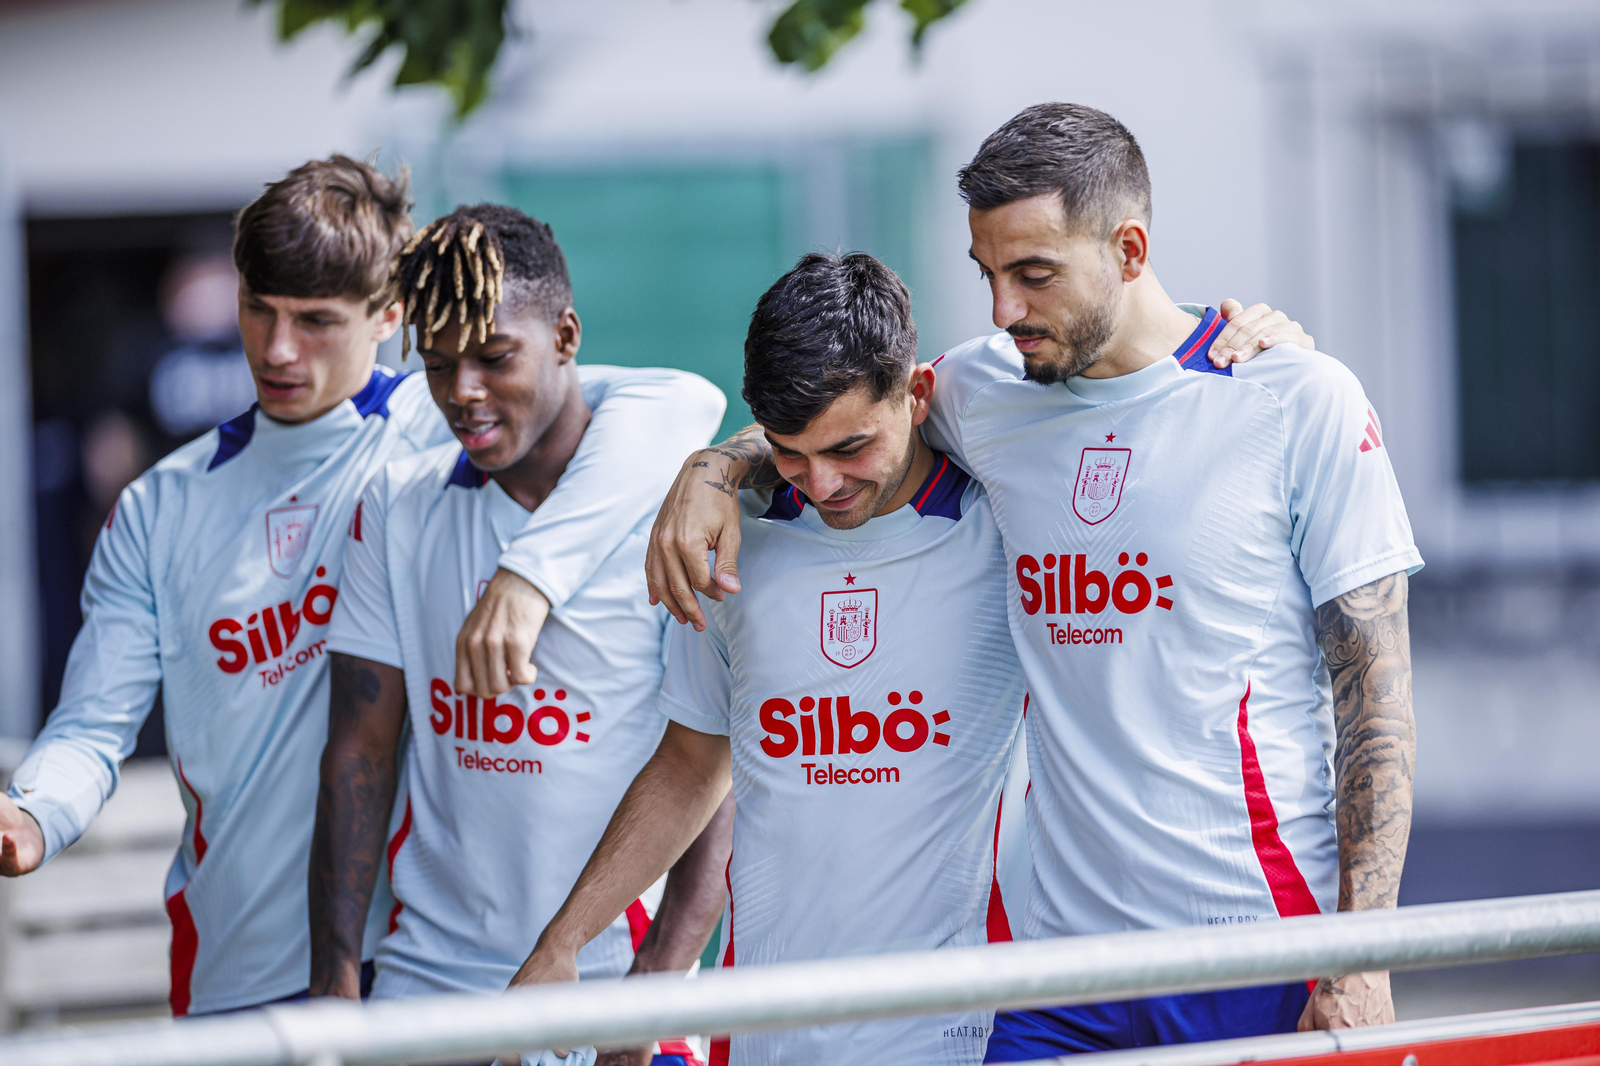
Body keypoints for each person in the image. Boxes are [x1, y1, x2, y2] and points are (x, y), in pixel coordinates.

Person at [644, 103, 1418, 1055]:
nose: (1004, 310)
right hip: (1054, 967)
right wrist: (712, 469)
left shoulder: (1293, 399)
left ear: (1129, 249)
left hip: (1251, 942)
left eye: (1033, 275)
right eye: (988, 275)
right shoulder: (982, 390)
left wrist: (1361, 954)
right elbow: (846, 420)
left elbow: (1376, 697)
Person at [0, 157, 725, 1017]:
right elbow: (91, 727)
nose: (276, 349)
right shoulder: (161, 509)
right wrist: (34, 814)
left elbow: (672, 402)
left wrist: (538, 573)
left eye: (315, 321)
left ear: (388, 318)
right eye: (258, 311)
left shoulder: (443, 421)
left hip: (421, 962)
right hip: (248, 962)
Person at [509, 251, 1031, 1066]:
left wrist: (1246, 339)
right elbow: (690, 763)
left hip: (954, 1036)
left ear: (918, 396)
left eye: (851, 447)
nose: (822, 483)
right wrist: (564, 944)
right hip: (760, 1033)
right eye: (790, 450)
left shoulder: (1005, 528)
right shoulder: (731, 541)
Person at [315, 204, 732, 1066]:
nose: (462, 391)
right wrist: (337, 983)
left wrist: (654, 984)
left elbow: (718, 767)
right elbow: (360, 748)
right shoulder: (399, 505)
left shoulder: (675, 511)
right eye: (436, 365)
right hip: (431, 987)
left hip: (614, 982)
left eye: (494, 357)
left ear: (567, 336)